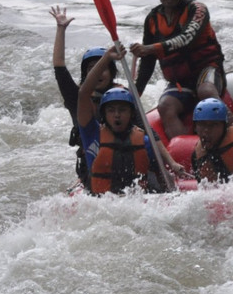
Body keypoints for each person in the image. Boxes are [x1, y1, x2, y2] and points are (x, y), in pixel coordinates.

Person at [130, 0, 225, 139]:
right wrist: (136, 92)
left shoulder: (197, 9)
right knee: (165, 106)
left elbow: (186, 39)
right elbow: (148, 63)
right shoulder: (152, 19)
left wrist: (151, 48)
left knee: (205, 91)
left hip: (207, 70)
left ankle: (231, 133)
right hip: (180, 82)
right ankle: (184, 152)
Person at [76, 47, 184, 194]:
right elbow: (83, 93)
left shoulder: (142, 141)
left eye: (122, 110)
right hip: (101, 201)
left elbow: (158, 171)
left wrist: (171, 166)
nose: (117, 115)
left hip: (134, 202)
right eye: (111, 110)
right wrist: (106, 58)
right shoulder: (92, 134)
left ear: (131, 114)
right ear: (104, 114)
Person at [50, 5, 119, 185]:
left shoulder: (123, 97)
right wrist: (61, 29)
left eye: (103, 68)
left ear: (112, 73)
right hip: (92, 164)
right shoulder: (77, 99)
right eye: (92, 68)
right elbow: (59, 67)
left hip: (122, 158)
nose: (99, 73)